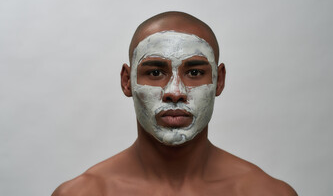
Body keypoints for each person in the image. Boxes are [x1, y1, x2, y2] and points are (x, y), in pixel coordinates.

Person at [52, 11, 297, 196]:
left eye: (194, 73)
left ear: (219, 81)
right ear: (127, 82)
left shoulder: (265, 192)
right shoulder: (85, 193)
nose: (175, 92)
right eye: (156, 73)